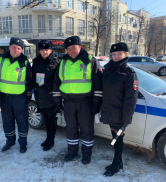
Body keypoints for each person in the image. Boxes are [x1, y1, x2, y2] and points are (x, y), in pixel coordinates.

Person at [53, 36, 103, 165]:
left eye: (74, 48)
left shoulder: (91, 60)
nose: (71, 51)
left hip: (86, 103)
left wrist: (96, 103)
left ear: (80, 47)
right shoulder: (62, 62)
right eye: (68, 48)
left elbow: (98, 84)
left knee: (86, 130)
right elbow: (56, 83)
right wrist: (57, 102)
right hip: (68, 103)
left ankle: (86, 154)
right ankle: (72, 152)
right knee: (71, 129)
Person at [101, 42, 138, 176]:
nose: (116, 56)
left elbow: (131, 99)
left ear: (126, 54)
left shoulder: (129, 73)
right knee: (115, 136)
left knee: (117, 137)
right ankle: (119, 162)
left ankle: (116, 164)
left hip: (120, 112)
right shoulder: (108, 69)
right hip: (109, 110)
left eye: (119, 54)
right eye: (114, 54)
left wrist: (126, 120)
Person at [0, 37, 32, 153]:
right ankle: (10, 141)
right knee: (7, 121)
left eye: (19, 48)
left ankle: (23, 143)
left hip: (19, 97)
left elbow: (29, 80)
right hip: (4, 97)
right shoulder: (0, 60)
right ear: (9, 47)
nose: (16, 50)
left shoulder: (25, 62)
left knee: (22, 120)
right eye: (14, 47)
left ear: (21, 50)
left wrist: (28, 96)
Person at [31, 40, 59, 151]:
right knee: (45, 118)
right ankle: (48, 139)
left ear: (51, 50)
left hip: (50, 95)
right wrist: (34, 83)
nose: (44, 52)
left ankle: (51, 140)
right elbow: (32, 77)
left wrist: (47, 85)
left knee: (51, 119)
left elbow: (58, 80)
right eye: (42, 50)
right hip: (40, 95)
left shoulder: (55, 62)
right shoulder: (36, 62)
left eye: (46, 50)